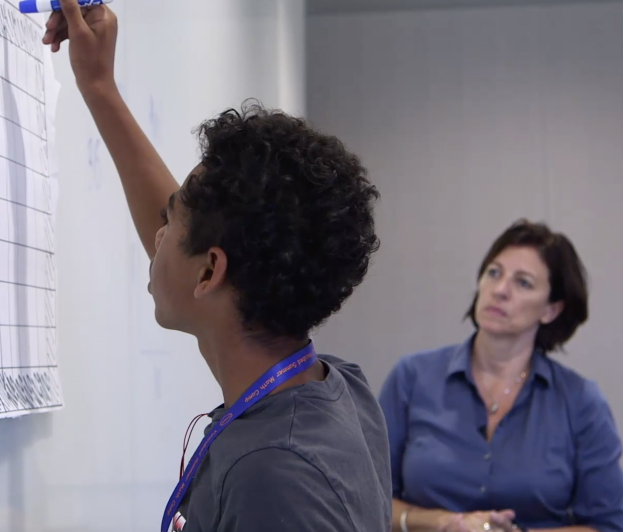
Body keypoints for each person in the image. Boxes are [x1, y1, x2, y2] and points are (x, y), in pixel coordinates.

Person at [41, 2, 391, 531]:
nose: (156, 235)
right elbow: (194, 245)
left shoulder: (274, 475)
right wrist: (99, 87)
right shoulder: (335, 391)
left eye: (171, 222)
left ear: (209, 273)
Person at [379, 220, 623, 532]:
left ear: (550, 310)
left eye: (523, 283)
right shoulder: (412, 378)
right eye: (494, 273)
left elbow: (610, 526)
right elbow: (368, 501)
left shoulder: (580, 401)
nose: (499, 290)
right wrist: (445, 523)